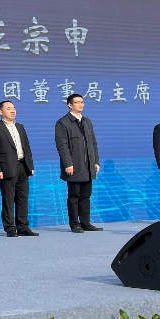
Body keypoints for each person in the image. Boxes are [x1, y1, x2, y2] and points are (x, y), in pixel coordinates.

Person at [0, 100, 37, 237]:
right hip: (7, 168)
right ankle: (10, 228)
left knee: (23, 198)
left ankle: (23, 227)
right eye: (8, 108)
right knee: (8, 199)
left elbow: (27, 148)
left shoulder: (20, 127)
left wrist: (30, 166)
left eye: (13, 108)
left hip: (23, 167)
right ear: (0, 112)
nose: (12, 110)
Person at [54, 94, 103, 233]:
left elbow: (93, 143)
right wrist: (68, 163)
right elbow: (62, 146)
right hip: (74, 166)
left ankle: (85, 223)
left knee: (86, 196)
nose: (81, 104)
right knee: (74, 196)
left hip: (88, 166)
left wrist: (96, 161)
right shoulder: (62, 122)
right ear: (69, 105)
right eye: (77, 102)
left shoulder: (87, 121)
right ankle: (74, 224)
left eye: (82, 102)